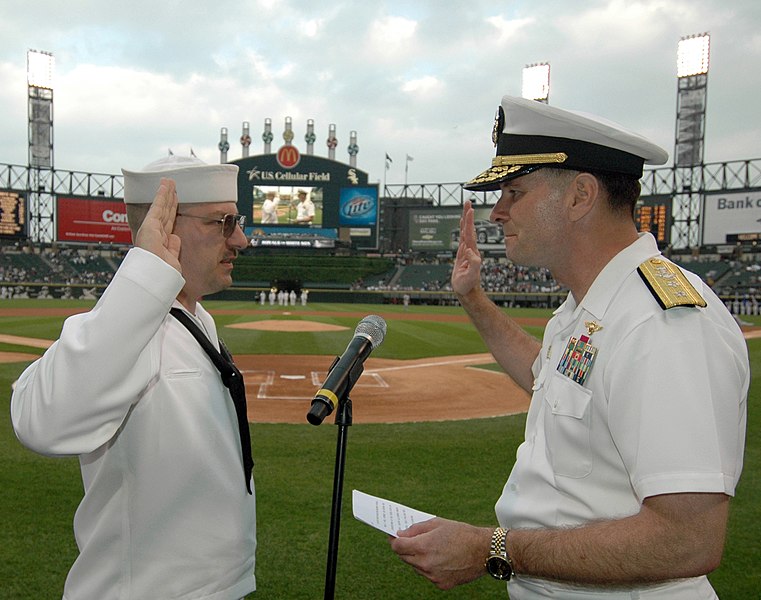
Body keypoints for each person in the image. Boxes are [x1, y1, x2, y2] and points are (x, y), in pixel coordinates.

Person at [390, 95, 749, 599]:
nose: (497, 212)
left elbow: (688, 540)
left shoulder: (661, 325)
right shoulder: (592, 303)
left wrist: (490, 549)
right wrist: (473, 298)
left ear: (581, 196)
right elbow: (549, 376)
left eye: (514, 192)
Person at [11, 154, 257, 600]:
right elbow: (38, 420)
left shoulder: (194, 318)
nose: (240, 239)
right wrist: (145, 273)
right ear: (166, 229)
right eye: (224, 222)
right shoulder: (134, 324)